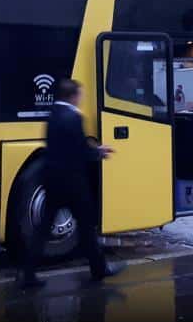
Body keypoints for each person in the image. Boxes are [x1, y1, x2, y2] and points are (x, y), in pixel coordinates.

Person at [20, 79, 123, 288]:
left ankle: (28, 273)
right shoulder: (74, 117)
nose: (81, 98)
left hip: (53, 181)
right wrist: (99, 152)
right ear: (73, 96)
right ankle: (99, 269)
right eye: (80, 95)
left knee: (42, 230)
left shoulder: (53, 115)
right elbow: (80, 151)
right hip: (73, 183)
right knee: (86, 227)